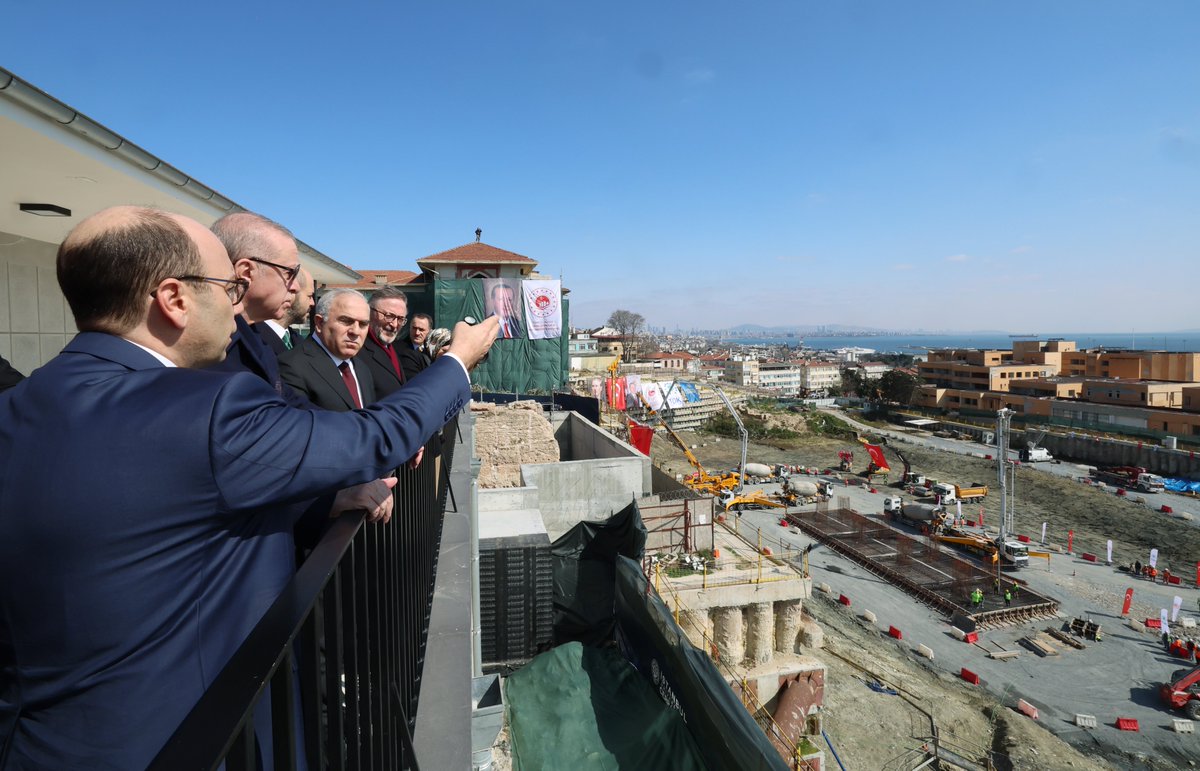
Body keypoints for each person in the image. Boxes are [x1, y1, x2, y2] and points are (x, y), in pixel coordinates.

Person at [0, 206, 498, 769]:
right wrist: (457, 363)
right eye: (226, 287)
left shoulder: (19, 406)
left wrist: (322, 499)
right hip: (188, 738)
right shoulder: (207, 408)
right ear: (174, 299)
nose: (234, 304)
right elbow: (372, 438)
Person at [207, 211, 310, 407]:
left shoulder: (256, 337)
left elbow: (292, 404)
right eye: (289, 273)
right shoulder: (208, 345)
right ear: (246, 272)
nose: (296, 287)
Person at [279, 289, 376, 411]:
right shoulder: (292, 366)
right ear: (320, 323)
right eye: (346, 321)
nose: (355, 331)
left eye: (363, 324)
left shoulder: (363, 368)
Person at [358, 285, 411, 398]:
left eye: (400, 319)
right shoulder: (357, 351)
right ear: (370, 312)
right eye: (389, 316)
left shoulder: (394, 349)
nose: (394, 324)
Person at [256, 267, 313, 354]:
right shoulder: (251, 338)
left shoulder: (300, 342)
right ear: (291, 292)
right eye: (309, 296)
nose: (312, 303)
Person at [401, 312, 434, 381]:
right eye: (414, 328)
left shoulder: (433, 350)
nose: (417, 333)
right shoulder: (399, 349)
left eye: (421, 329)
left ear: (430, 332)